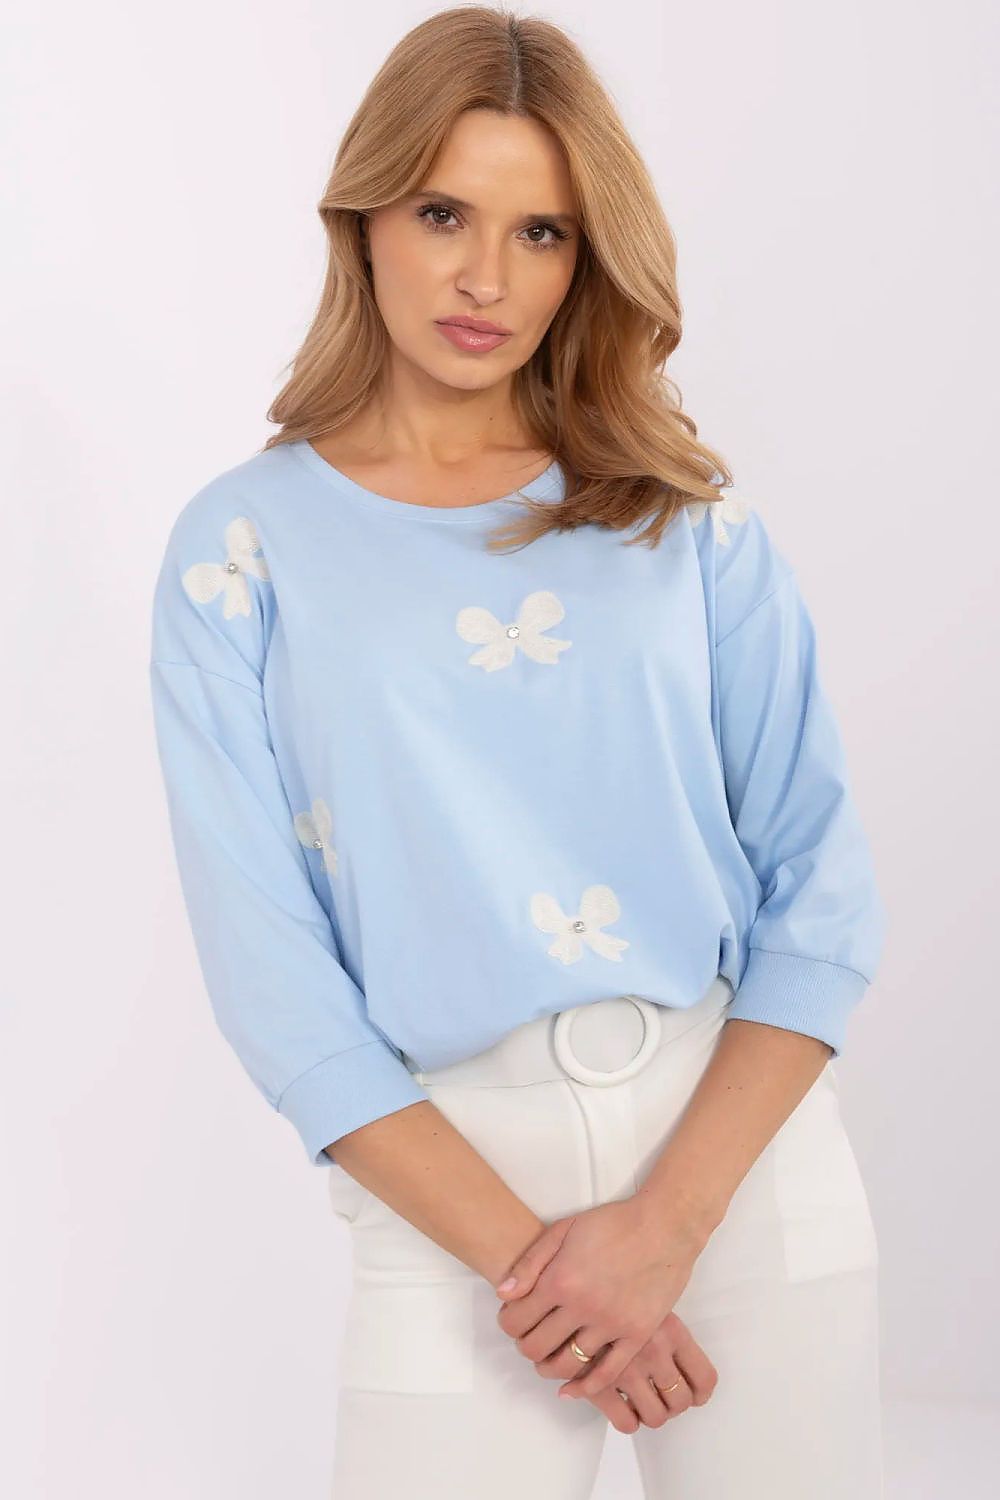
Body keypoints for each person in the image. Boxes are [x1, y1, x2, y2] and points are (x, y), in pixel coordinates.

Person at [147, 7, 887, 1497]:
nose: (487, 278)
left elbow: (820, 896)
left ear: (585, 257)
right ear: (362, 221)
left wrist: (666, 1229)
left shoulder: (685, 521)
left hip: (739, 1168)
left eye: (541, 232)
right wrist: (546, 1275)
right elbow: (275, 981)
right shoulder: (242, 550)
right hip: (446, 1207)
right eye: (443, 215)